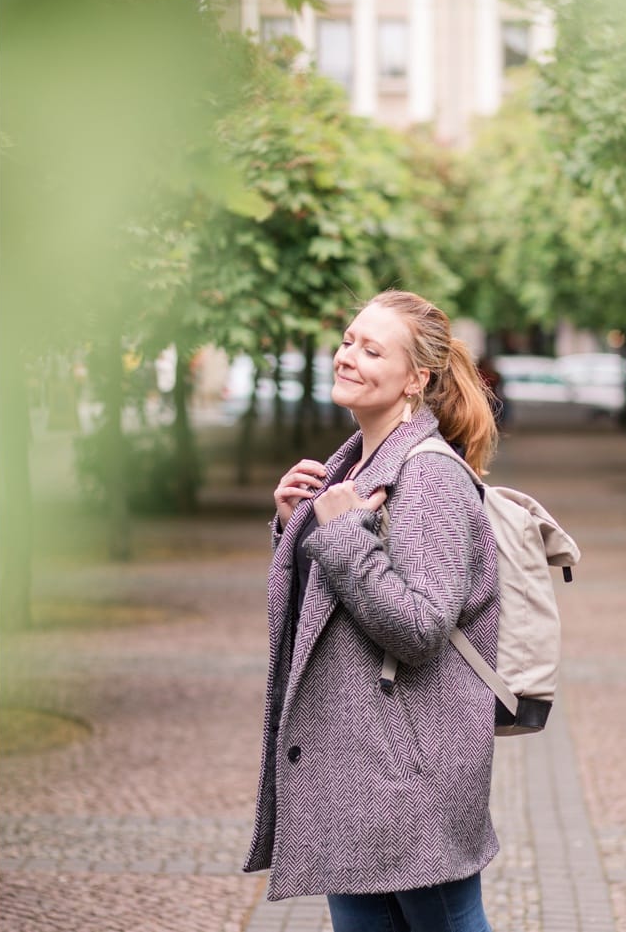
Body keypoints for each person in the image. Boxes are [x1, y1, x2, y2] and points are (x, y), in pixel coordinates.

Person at [243, 290, 501, 932]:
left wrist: (337, 535)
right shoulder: (349, 467)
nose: (347, 356)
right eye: (348, 340)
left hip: (410, 775)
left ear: (417, 379)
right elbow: (321, 614)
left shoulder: (429, 477)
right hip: (354, 768)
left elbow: (420, 627)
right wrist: (294, 528)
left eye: (371, 348)